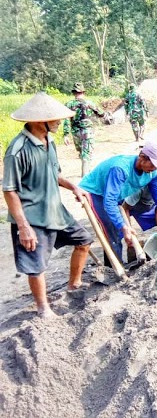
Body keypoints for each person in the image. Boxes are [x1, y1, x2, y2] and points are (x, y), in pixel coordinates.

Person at [3, 92, 93, 318]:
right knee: (36, 265)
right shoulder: (17, 150)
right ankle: (43, 308)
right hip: (32, 216)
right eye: (53, 118)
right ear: (36, 121)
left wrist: (74, 187)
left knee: (84, 241)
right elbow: (9, 190)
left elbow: (54, 174)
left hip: (55, 210)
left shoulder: (49, 142)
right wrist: (23, 227)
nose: (59, 122)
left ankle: (74, 284)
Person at [79, 141, 157, 265]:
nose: (154, 168)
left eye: (156, 166)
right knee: (113, 229)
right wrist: (123, 226)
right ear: (142, 157)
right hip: (96, 192)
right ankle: (115, 267)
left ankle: (117, 263)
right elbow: (109, 201)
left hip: (117, 192)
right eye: (152, 164)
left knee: (119, 229)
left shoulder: (153, 173)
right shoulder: (121, 168)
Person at [63, 82, 106, 177]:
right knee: (86, 154)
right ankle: (85, 175)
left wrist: (66, 134)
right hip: (87, 132)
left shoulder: (69, 104)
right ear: (83, 92)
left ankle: (86, 171)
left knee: (82, 152)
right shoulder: (89, 103)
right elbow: (101, 113)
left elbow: (66, 120)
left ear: (74, 92)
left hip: (75, 133)